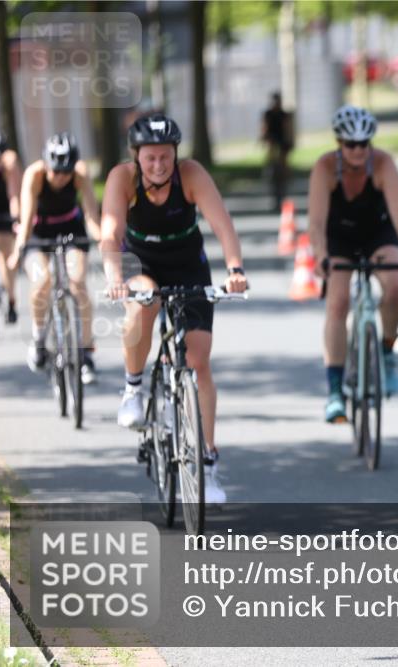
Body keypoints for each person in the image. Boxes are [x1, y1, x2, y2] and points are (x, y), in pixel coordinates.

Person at [101, 113, 248, 505]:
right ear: (137, 157)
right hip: (140, 264)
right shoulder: (122, 178)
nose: (159, 165)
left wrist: (235, 268)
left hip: (188, 265)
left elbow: (222, 224)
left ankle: (208, 463)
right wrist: (114, 275)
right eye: (150, 158)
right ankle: (133, 388)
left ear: (175, 155)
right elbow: (110, 233)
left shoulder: (192, 175)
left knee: (198, 361)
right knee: (142, 305)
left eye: (165, 157)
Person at [308, 105, 398, 424]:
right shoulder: (326, 167)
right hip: (338, 238)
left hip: (377, 233)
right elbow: (316, 222)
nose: (358, 151)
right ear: (339, 144)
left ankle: (386, 349)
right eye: (350, 145)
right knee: (338, 302)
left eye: (364, 144)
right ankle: (334, 391)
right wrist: (320, 256)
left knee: (396, 286)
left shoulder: (383, 163)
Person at [9, 133, 101, 382]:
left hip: (71, 228)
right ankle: (39, 340)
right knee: (42, 281)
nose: (60, 178)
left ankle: (85, 353)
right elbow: (26, 220)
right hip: (39, 232)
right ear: (46, 165)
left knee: (78, 281)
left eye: (65, 172)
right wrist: (18, 250)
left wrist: (104, 239)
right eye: (55, 172)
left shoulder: (80, 173)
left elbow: (91, 215)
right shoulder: (35, 174)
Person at [0, 129, 22, 324]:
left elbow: (14, 197)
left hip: (3, 210)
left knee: (5, 255)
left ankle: (11, 300)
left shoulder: (9, 166)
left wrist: (16, 219)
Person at [261, 92, 295, 212]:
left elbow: (288, 129)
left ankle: (284, 185)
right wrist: (264, 138)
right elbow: (264, 128)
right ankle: (271, 176)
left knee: (283, 167)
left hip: (282, 144)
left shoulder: (284, 115)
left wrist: (289, 143)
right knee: (271, 164)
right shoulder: (268, 114)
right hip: (272, 143)